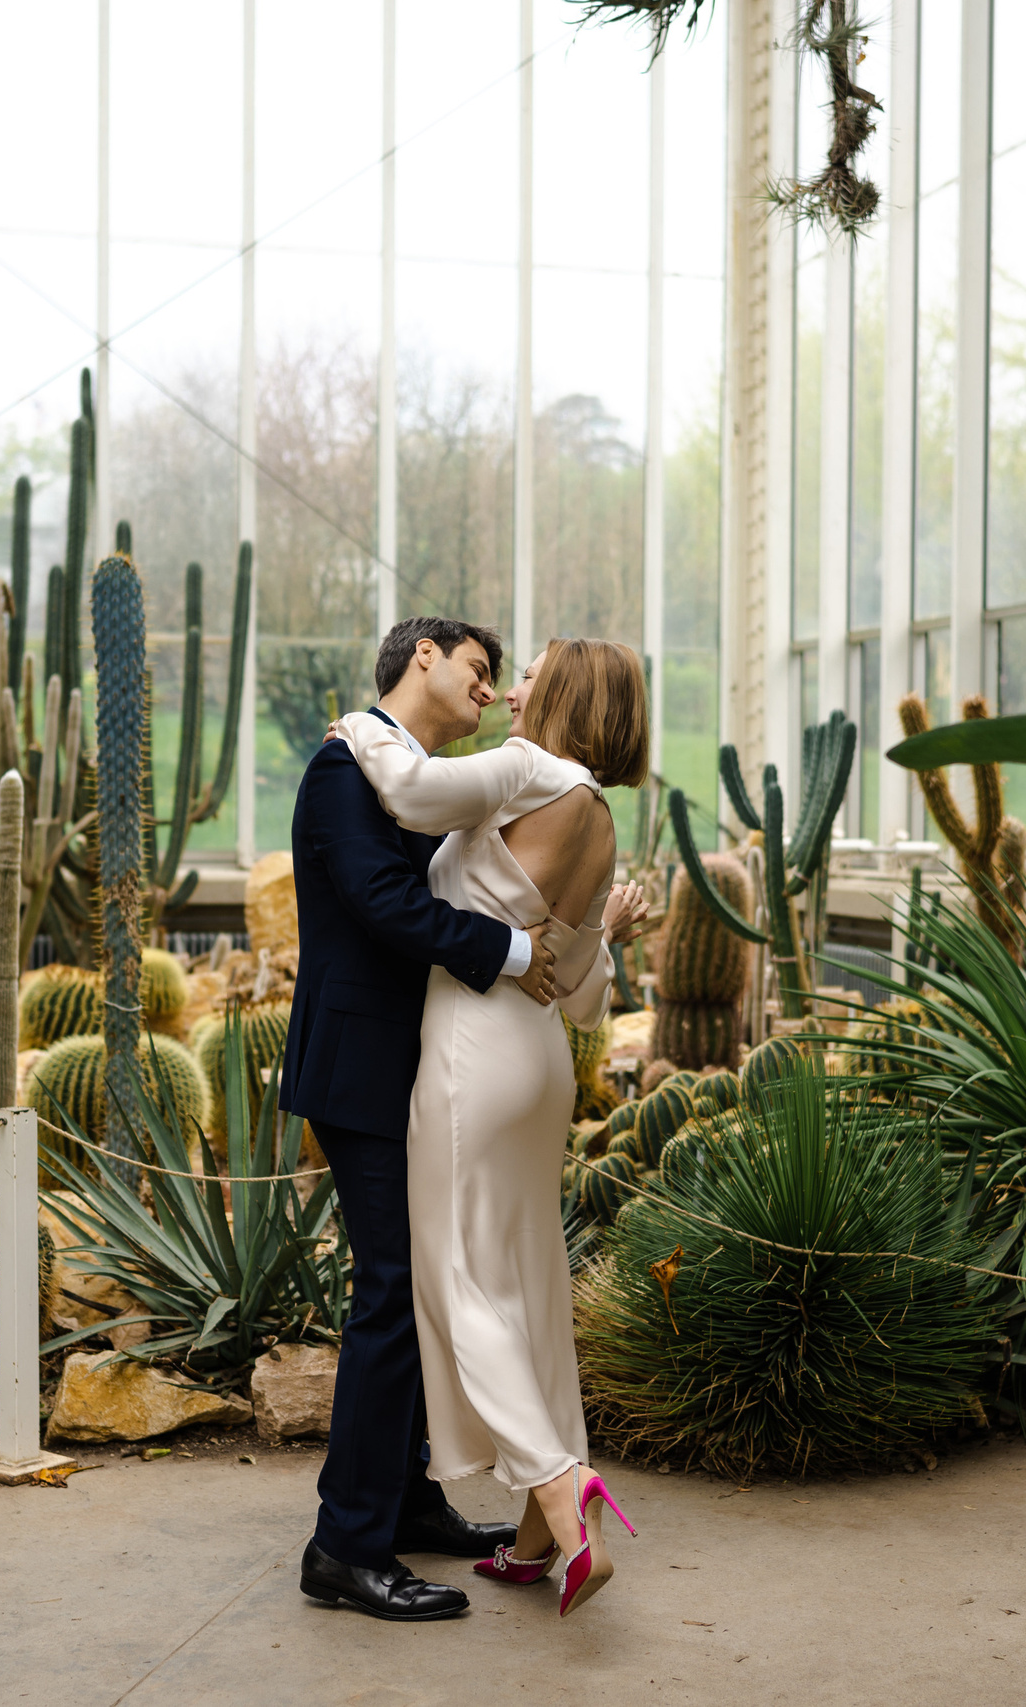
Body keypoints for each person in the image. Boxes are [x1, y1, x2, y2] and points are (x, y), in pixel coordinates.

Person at [326, 637, 652, 1619]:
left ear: (565, 692)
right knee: (530, 1277)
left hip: (474, 1051)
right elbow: (583, 997)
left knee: (459, 1276)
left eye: (531, 673)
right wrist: (605, 931)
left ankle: (557, 1484)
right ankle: (537, 1536)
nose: (511, 690)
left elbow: (412, 794)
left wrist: (361, 731)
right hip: (541, 1060)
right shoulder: (597, 814)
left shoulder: (525, 768)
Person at [281, 615, 563, 1624]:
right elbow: (384, 904)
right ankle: (344, 1546)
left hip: (416, 1072)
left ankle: (404, 1501)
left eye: (497, 680)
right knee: (394, 1290)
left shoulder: (417, 781)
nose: (488, 690)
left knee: (422, 1286)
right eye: (478, 670)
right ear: (423, 658)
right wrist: (518, 955)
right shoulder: (342, 770)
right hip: (361, 1072)